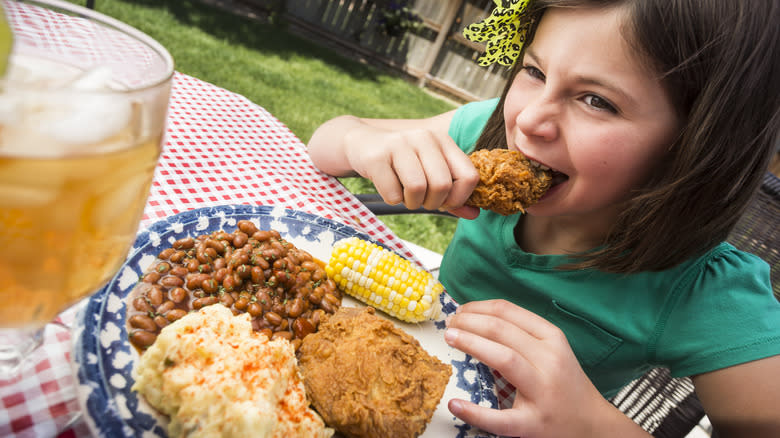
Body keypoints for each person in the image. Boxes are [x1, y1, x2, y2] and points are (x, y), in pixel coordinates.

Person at [307, 0, 780, 436]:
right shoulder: (484, 131)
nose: (531, 119)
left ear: (696, 145)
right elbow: (326, 143)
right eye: (534, 70)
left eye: (597, 100)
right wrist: (363, 144)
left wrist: (593, 425)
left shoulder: (706, 292)